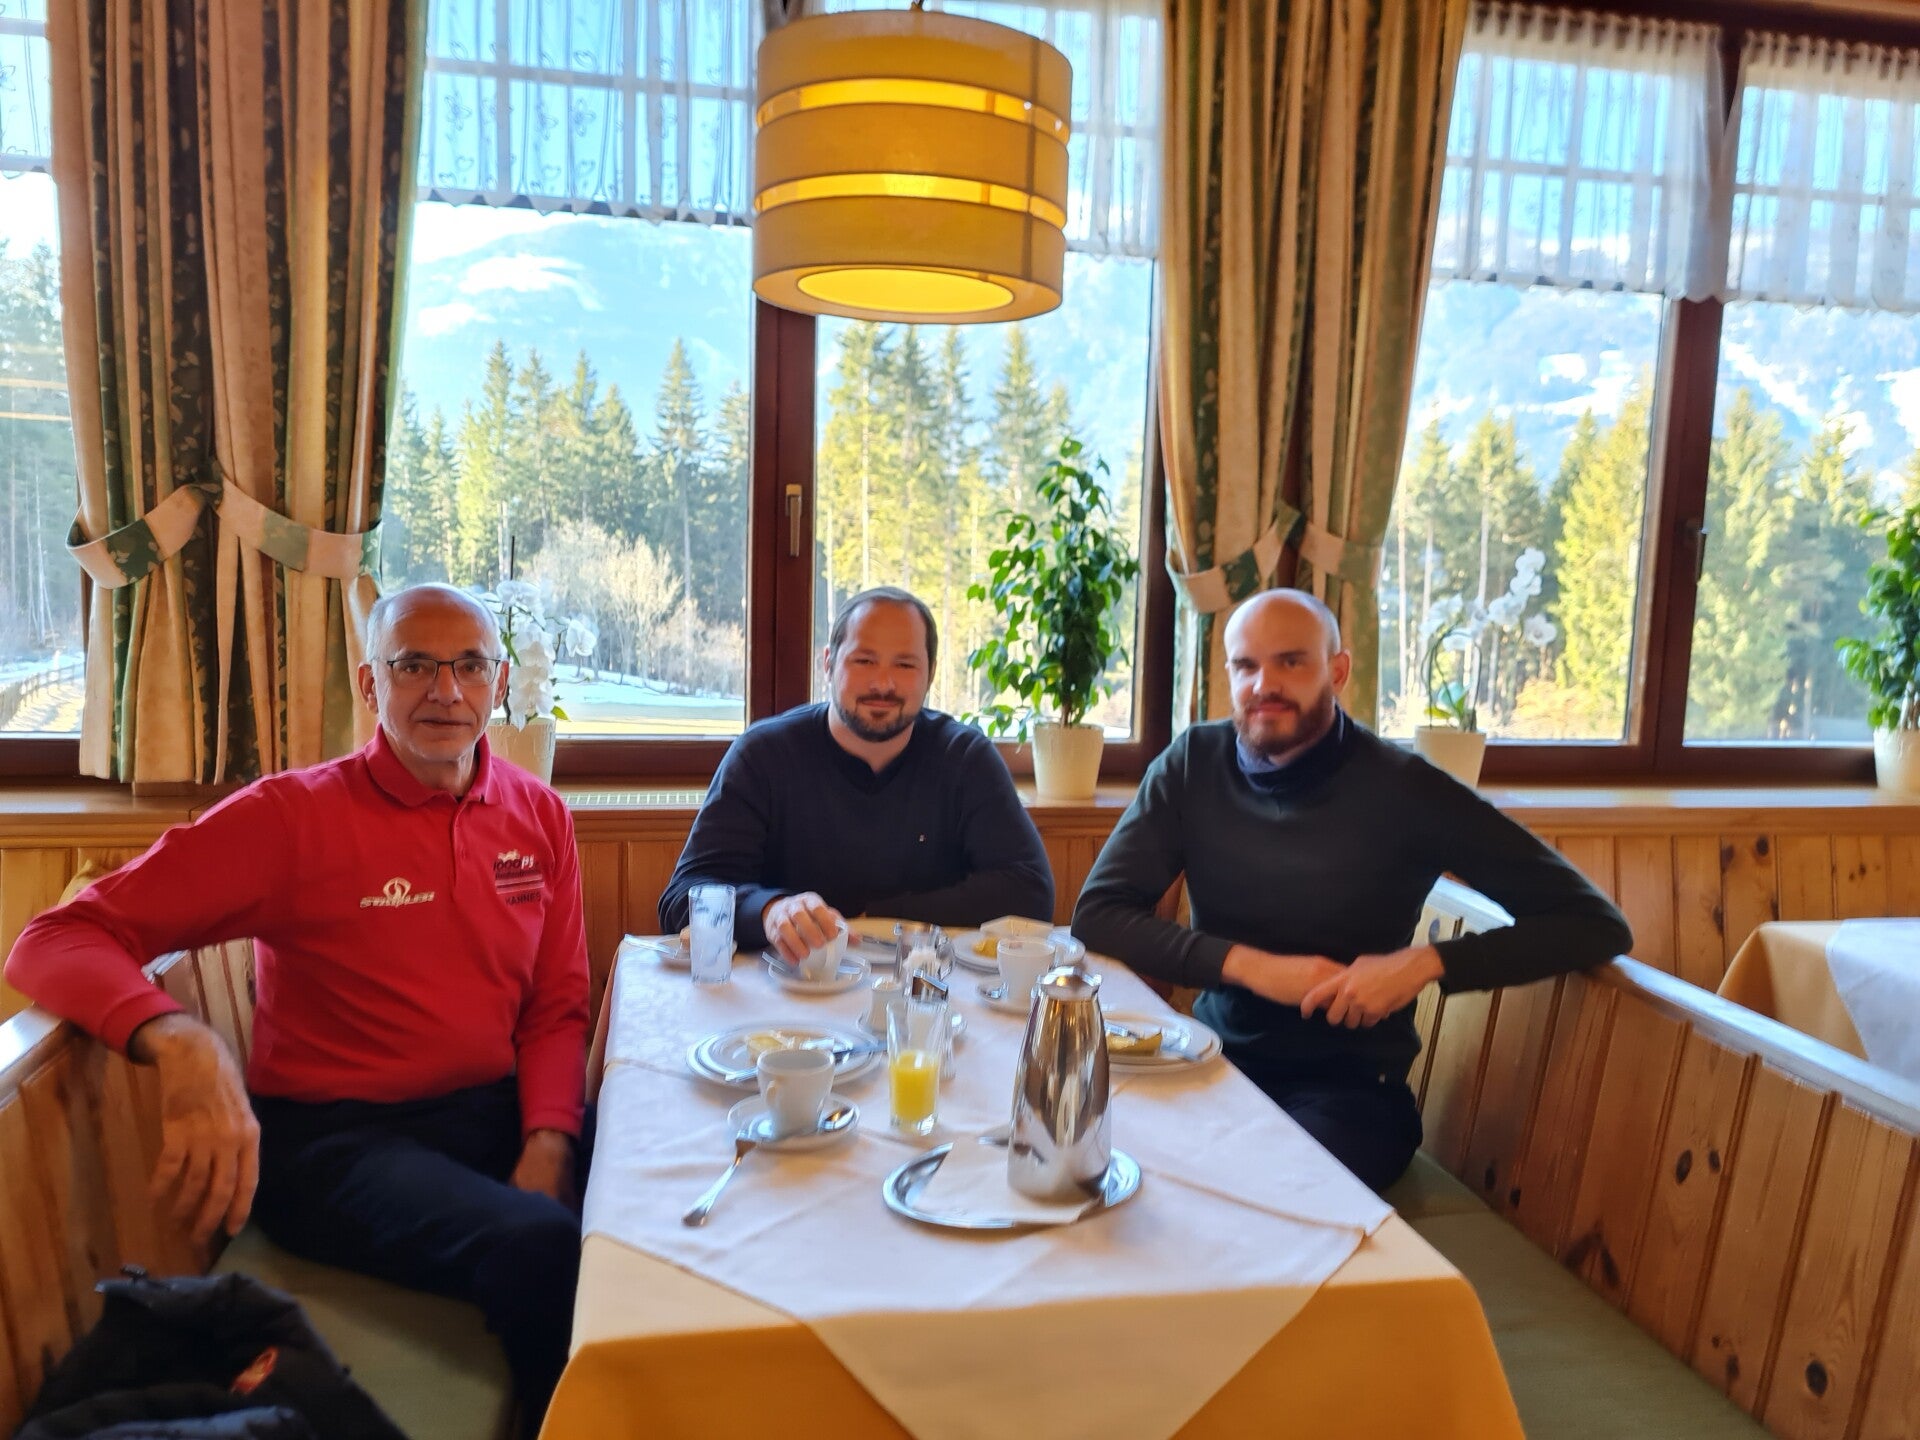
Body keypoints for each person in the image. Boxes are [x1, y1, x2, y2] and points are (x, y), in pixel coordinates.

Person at [4, 584, 591, 1437]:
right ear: (368, 683)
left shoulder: (539, 816)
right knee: (543, 1246)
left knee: (652, 1174)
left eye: (469, 666)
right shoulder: (292, 817)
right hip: (336, 1144)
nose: (445, 691)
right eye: (414, 666)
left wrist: (548, 1141)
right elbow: (54, 939)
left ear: (499, 683)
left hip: (488, 1112)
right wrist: (181, 1040)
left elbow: (557, 1007)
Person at [1072, 588, 1631, 1193]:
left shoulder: (1408, 790)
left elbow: (1594, 923)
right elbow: (1099, 913)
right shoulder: (1192, 764)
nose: (1264, 684)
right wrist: (1255, 969)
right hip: (1212, 1066)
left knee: (1244, 1192)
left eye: (1291, 662)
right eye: (1246, 665)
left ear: (1337, 671)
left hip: (1352, 1099)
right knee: (1080, 1152)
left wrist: (1424, 963)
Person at [660, 586, 1053, 959]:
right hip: (787, 986)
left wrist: (876, 916)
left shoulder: (964, 758)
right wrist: (771, 911)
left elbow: (1030, 892)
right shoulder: (763, 754)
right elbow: (684, 897)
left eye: (905, 664)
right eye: (864, 661)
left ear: (930, 673)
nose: (883, 683)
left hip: (927, 986)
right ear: (828, 663)